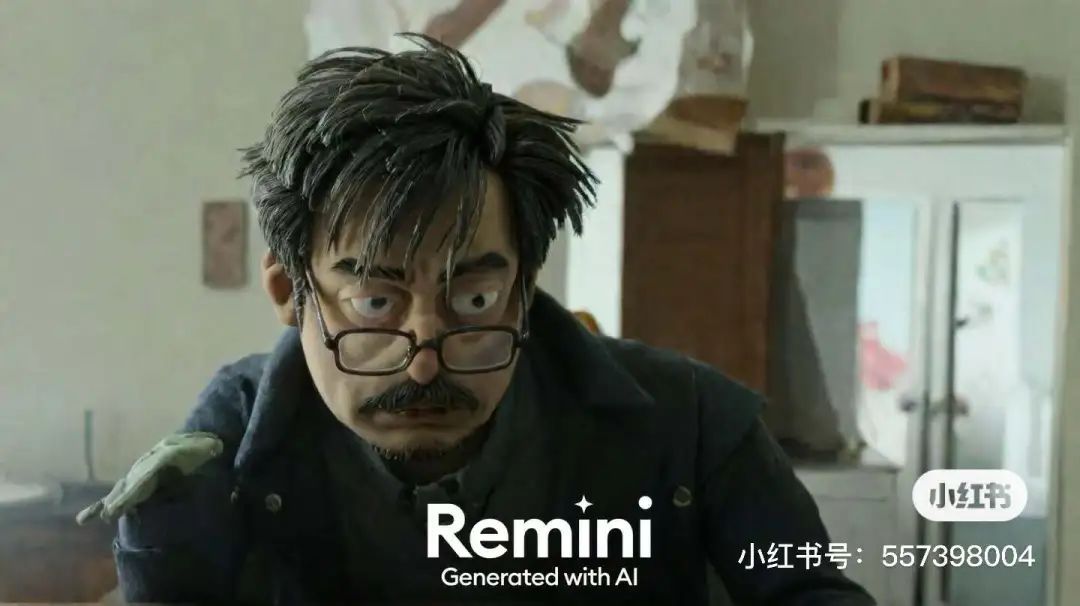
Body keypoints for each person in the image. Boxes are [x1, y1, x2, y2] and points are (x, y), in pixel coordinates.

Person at [105, 34, 875, 605]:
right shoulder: (228, 444)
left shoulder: (695, 424)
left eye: (472, 301)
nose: (424, 361)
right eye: (375, 303)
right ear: (288, 291)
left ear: (523, 287)